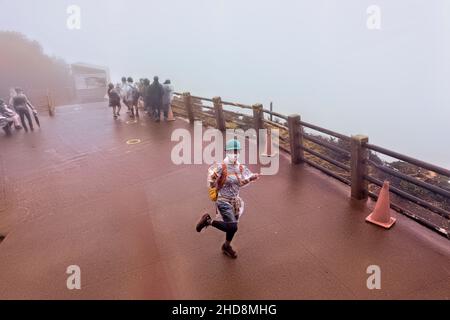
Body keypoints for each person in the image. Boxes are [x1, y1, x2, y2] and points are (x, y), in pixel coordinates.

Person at [196, 139, 260, 259]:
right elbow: (211, 182)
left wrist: (251, 178)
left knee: (232, 227)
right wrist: (213, 181)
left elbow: (239, 184)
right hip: (223, 200)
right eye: (233, 151)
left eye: (237, 151)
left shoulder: (239, 168)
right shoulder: (221, 167)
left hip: (234, 201)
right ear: (227, 152)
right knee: (232, 226)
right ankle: (208, 221)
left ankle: (226, 246)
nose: (235, 153)